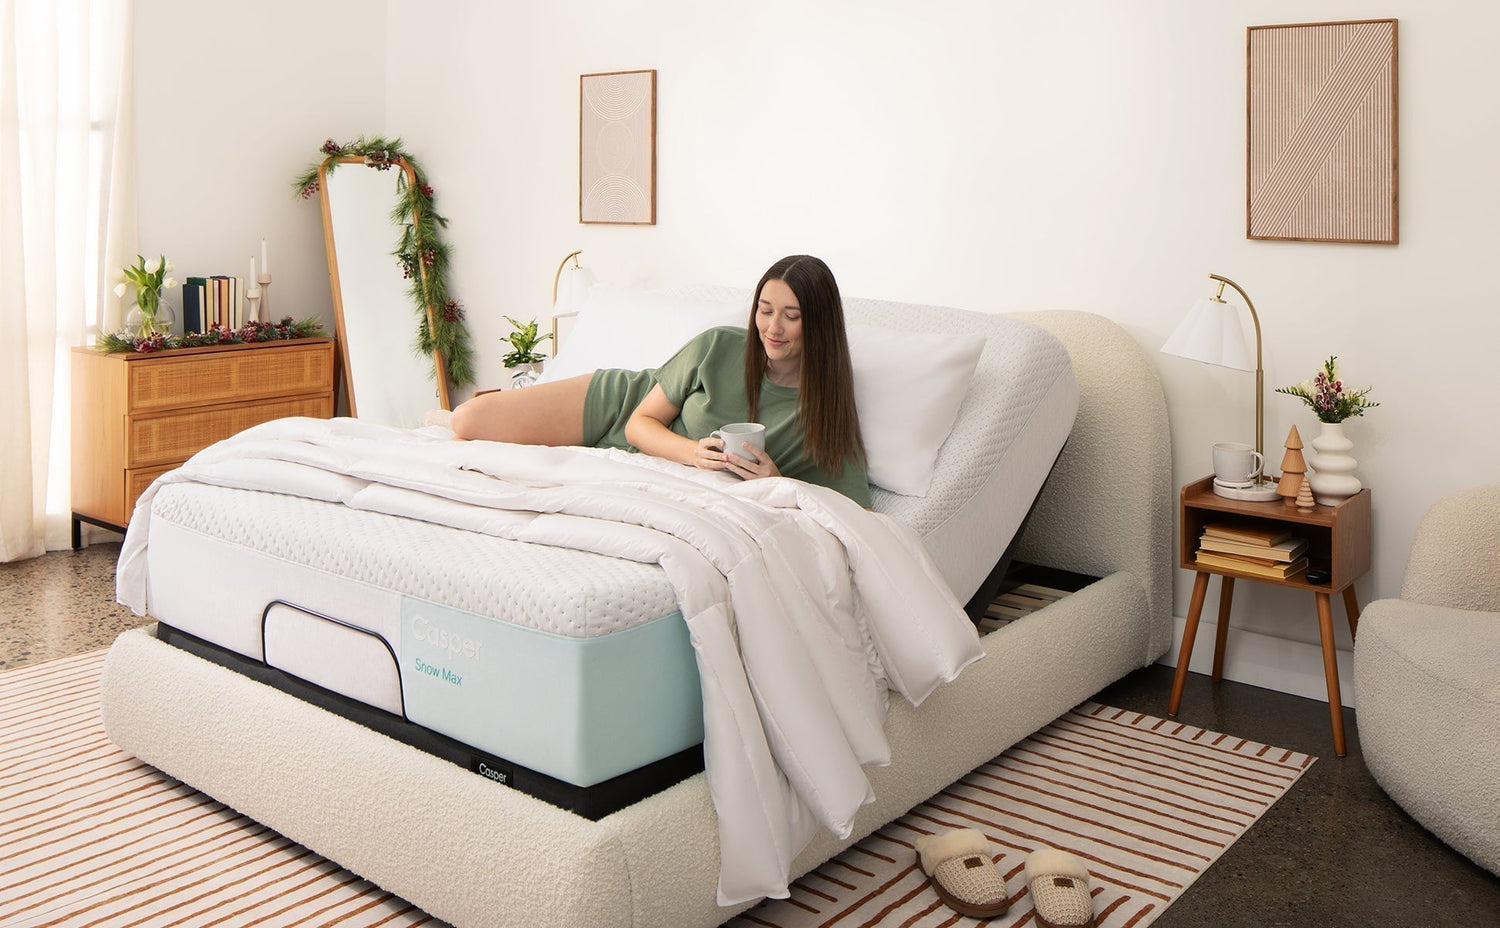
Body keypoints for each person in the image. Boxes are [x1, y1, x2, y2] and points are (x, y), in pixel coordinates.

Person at [450, 254, 870, 507]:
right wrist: (694, 453)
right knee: (466, 420)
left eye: (791, 316)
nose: (772, 327)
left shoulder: (825, 408)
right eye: (764, 310)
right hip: (619, 407)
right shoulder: (720, 345)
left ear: (819, 324)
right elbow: (639, 422)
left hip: (643, 461)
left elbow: (857, 514)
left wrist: (776, 485)